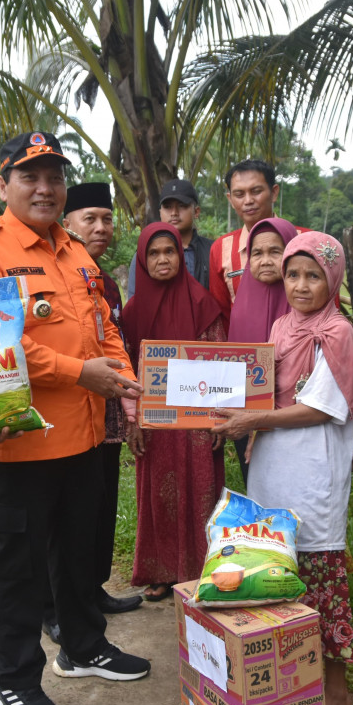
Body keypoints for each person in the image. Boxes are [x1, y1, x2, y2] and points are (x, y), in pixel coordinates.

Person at [0, 131, 150, 705]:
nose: (45, 188)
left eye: (55, 177)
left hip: (84, 436)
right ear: (2, 185)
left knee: (78, 551)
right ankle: (14, 681)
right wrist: (80, 373)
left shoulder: (74, 249)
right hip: (18, 442)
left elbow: (106, 327)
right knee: (19, 566)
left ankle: (83, 647)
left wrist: (124, 379)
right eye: (31, 176)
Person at [213, 231, 353, 705]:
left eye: (313, 275)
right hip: (273, 466)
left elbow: (319, 409)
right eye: (293, 274)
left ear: (333, 278)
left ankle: (337, 698)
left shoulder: (335, 333)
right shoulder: (282, 326)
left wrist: (250, 421)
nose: (301, 286)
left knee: (320, 581)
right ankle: (290, 688)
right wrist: (214, 407)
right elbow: (259, 390)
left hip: (314, 470)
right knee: (277, 569)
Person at [43, 182, 141, 646]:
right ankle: (55, 607)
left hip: (106, 408)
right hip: (66, 405)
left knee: (99, 504)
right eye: (90, 219)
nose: (100, 228)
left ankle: (91, 589)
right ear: (68, 224)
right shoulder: (53, 273)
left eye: (106, 218)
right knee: (60, 517)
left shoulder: (101, 277)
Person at [121, 223, 227, 602]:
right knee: (158, 496)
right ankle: (160, 571)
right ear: (142, 260)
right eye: (154, 253)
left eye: (170, 252)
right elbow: (125, 368)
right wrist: (132, 421)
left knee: (201, 490)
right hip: (154, 423)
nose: (163, 259)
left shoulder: (202, 303)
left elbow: (219, 362)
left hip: (197, 423)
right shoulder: (132, 312)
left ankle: (201, 570)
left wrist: (219, 416)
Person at [227, 217, 298, 486]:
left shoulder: (306, 303)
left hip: (294, 420)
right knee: (258, 486)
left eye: (275, 251)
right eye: (257, 253)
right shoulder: (241, 304)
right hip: (246, 415)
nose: (265, 260)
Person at [208, 159, 280, 318]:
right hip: (241, 341)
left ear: (274, 193)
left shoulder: (303, 241)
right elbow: (222, 312)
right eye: (239, 194)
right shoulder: (221, 249)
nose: (248, 201)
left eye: (256, 191)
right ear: (230, 200)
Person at [126, 178, 212, 295]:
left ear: (196, 212)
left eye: (182, 206)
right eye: (167, 207)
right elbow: (136, 301)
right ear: (160, 212)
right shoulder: (145, 255)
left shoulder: (213, 251)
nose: (174, 213)